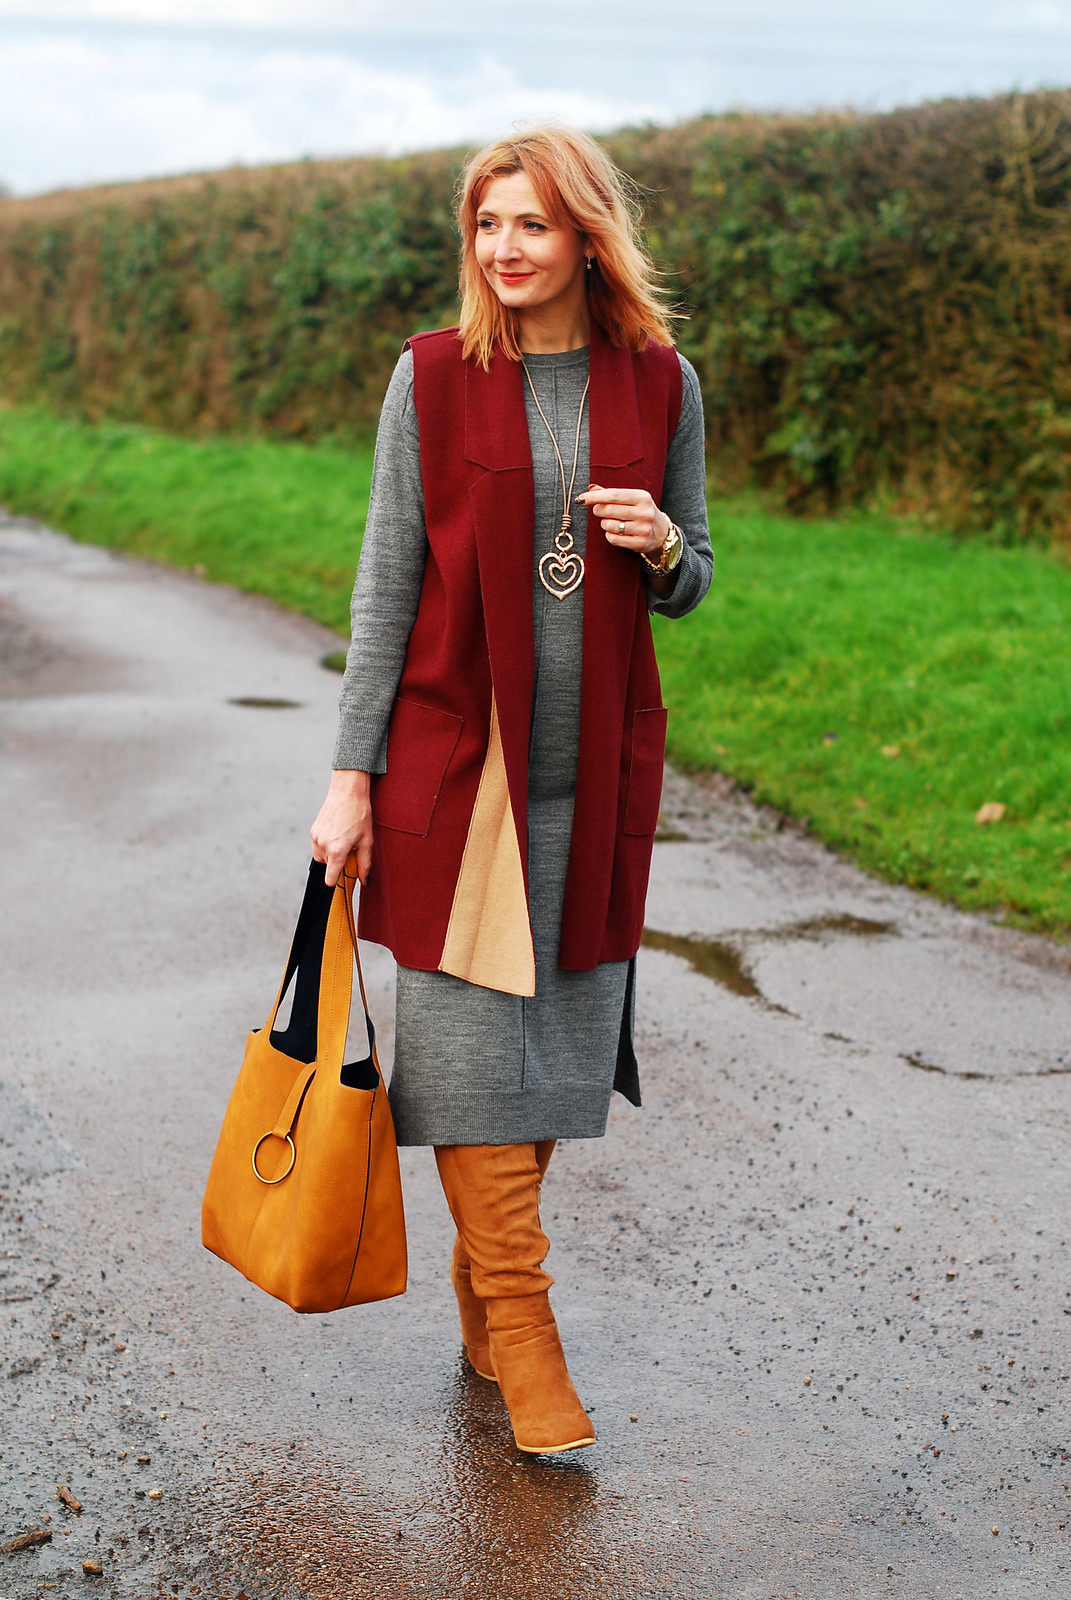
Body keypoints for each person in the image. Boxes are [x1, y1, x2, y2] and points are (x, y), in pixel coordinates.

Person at [310, 124, 713, 1455]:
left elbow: (696, 574)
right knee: (477, 1056)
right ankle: (528, 1336)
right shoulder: (432, 377)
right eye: (487, 224)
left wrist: (663, 545)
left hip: (591, 777)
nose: (504, 248)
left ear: (586, 234)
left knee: (555, 1056)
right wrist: (350, 779)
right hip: (459, 774)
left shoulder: (660, 381)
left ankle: (484, 1293)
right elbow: (385, 588)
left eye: (531, 223)